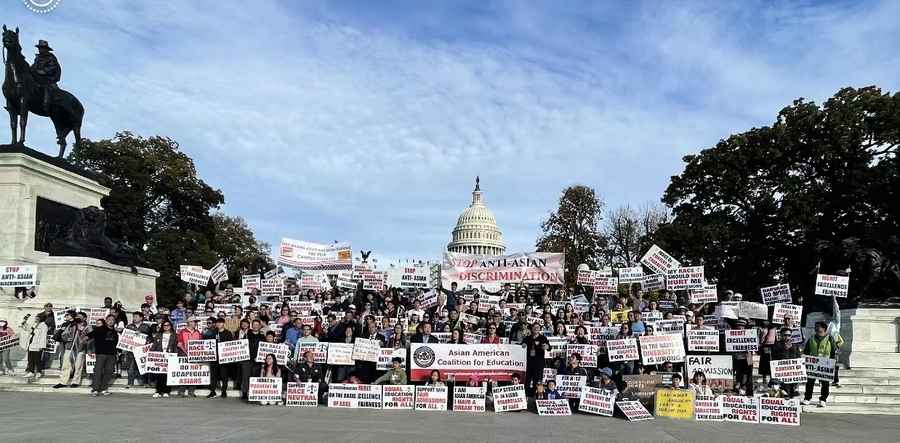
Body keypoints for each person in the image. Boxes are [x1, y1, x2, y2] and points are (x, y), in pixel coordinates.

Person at [802, 321, 837, 407]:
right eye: (815, 327)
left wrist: (833, 364)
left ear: (823, 328)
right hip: (813, 365)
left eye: (818, 327)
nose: (816, 328)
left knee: (825, 383)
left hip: (825, 364)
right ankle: (807, 398)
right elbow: (806, 351)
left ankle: (823, 399)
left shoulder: (830, 339)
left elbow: (833, 352)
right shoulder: (811, 338)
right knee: (810, 382)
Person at [86, 318, 118, 396]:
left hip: (112, 354)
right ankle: (95, 389)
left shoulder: (115, 331)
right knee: (98, 371)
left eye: (113, 320)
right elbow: (88, 337)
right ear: (106, 321)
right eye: (109, 319)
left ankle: (104, 388)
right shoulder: (99, 329)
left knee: (109, 372)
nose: (111, 321)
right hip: (101, 353)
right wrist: (88, 348)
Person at [54, 317, 87, 388]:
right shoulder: (70, 326)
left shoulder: (86, 327)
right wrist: (66, 338)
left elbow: (90, 336)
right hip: (69, 348)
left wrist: (82, 333)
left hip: (80, 349)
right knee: (66, 365)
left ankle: (75, 382)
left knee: (78, 366)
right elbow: (63, 335)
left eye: (81, 318)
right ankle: (63, 382)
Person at [205, 317, 234, 398]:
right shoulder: (212, 332)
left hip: (224, 358)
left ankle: (224, 391)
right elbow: (207, 343)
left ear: (223, 324)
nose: (219, 324)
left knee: (224, 375)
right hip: (214, 357)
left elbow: (231, 345)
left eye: (220, 323)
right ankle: (213, 391)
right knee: (213, 376)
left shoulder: (228, 333)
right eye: (217, 323)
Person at [30, 39, 61, 110]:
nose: (40, 50)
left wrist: (43, 71)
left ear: (46, 49)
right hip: (37, 76)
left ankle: (46, 102)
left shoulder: (51, 58)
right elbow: (34, 66)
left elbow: (52, 68)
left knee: (47, 86)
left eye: (42, 48)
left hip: (48, 78)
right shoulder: (37, 58)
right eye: (39, 48)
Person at [151, 320, 178, 398]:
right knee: (159, 375)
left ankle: (166, 391)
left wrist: (175, 356)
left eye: (168, 325)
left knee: (167, 375)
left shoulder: (174, 335)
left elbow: (175, 347)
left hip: (170, 356)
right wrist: (151, 353)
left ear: (171, 326)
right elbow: (154, 345)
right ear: (162, 327)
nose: (166, 327)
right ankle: (158, 391)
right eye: (165, 325)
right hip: (160, 356)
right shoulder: (159, 335)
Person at [176, 317, 202, 397]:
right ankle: (181, 391)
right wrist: (186, 352)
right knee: (184, 373)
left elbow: (200, 344)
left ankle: (191, 391)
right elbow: (179, 344)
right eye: (194, 322)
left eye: (196, 322)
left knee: (193, 373)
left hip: (194, 356)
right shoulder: (182, 332)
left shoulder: (198, 332)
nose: (195, 323)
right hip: (184, 355)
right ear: (189, 322)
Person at [522, 323, 550, 396]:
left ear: (540, 329)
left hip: (538, 363)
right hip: (528, 363)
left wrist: (546, 346)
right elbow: (521, 346)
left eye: (537, 327)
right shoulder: (527, 338)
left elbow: (549, 347)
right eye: (534, 327)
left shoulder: (543, 338)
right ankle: (526, 396)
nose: (536, 328)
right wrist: (523, 345)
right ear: (531, 328)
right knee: (527, 380)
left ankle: (537, 397)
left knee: (538, 381)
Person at [22, 312, 49, 378]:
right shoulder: (35, 324)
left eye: (37, 317)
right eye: (36, 317)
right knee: (30, 359)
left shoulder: (44, 326)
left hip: (38, 345)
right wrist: (24, 323)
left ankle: (39, 372)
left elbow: (43, 336)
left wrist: (42, 346)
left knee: (37, 360)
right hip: (31, 344)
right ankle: (31, 371)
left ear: (41, 318)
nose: (36, 318)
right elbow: (30, 330)